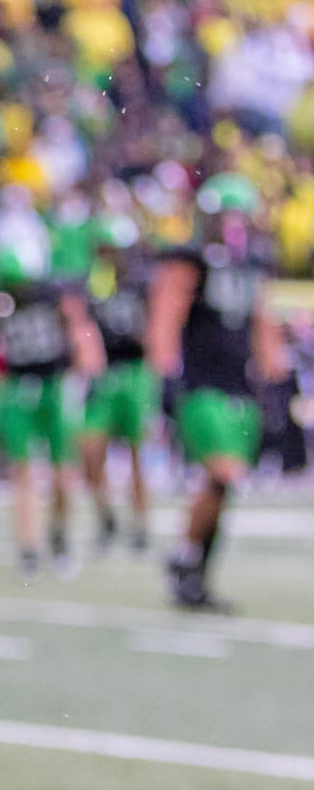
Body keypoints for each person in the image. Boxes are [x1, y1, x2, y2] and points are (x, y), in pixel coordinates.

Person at [146, 173, 285, 613]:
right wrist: (165, 377)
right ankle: (185, 559)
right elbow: (164, 320)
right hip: (201, 385)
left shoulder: (252, 266)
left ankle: (194, 573)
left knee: (223, 487)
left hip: (239, 388)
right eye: (227, 215)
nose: (234, 224)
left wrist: (275, 381)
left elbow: (264, 325)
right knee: (223, 473)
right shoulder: (190, 262)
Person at [0, 238, 104, 577]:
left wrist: (85, 372)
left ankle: (59, 537)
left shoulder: (52, 297)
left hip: (54, 386)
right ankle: (28, 548)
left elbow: (78, 330)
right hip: (18, 390)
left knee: (63, 474)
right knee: (22, 471)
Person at [80, 212, 155, 555]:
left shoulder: (143, 282)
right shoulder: (95, 282)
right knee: (91, 449)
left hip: (136, 371)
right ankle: (105, 516)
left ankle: (140, 524)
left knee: (139, 451)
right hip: (104, 373)